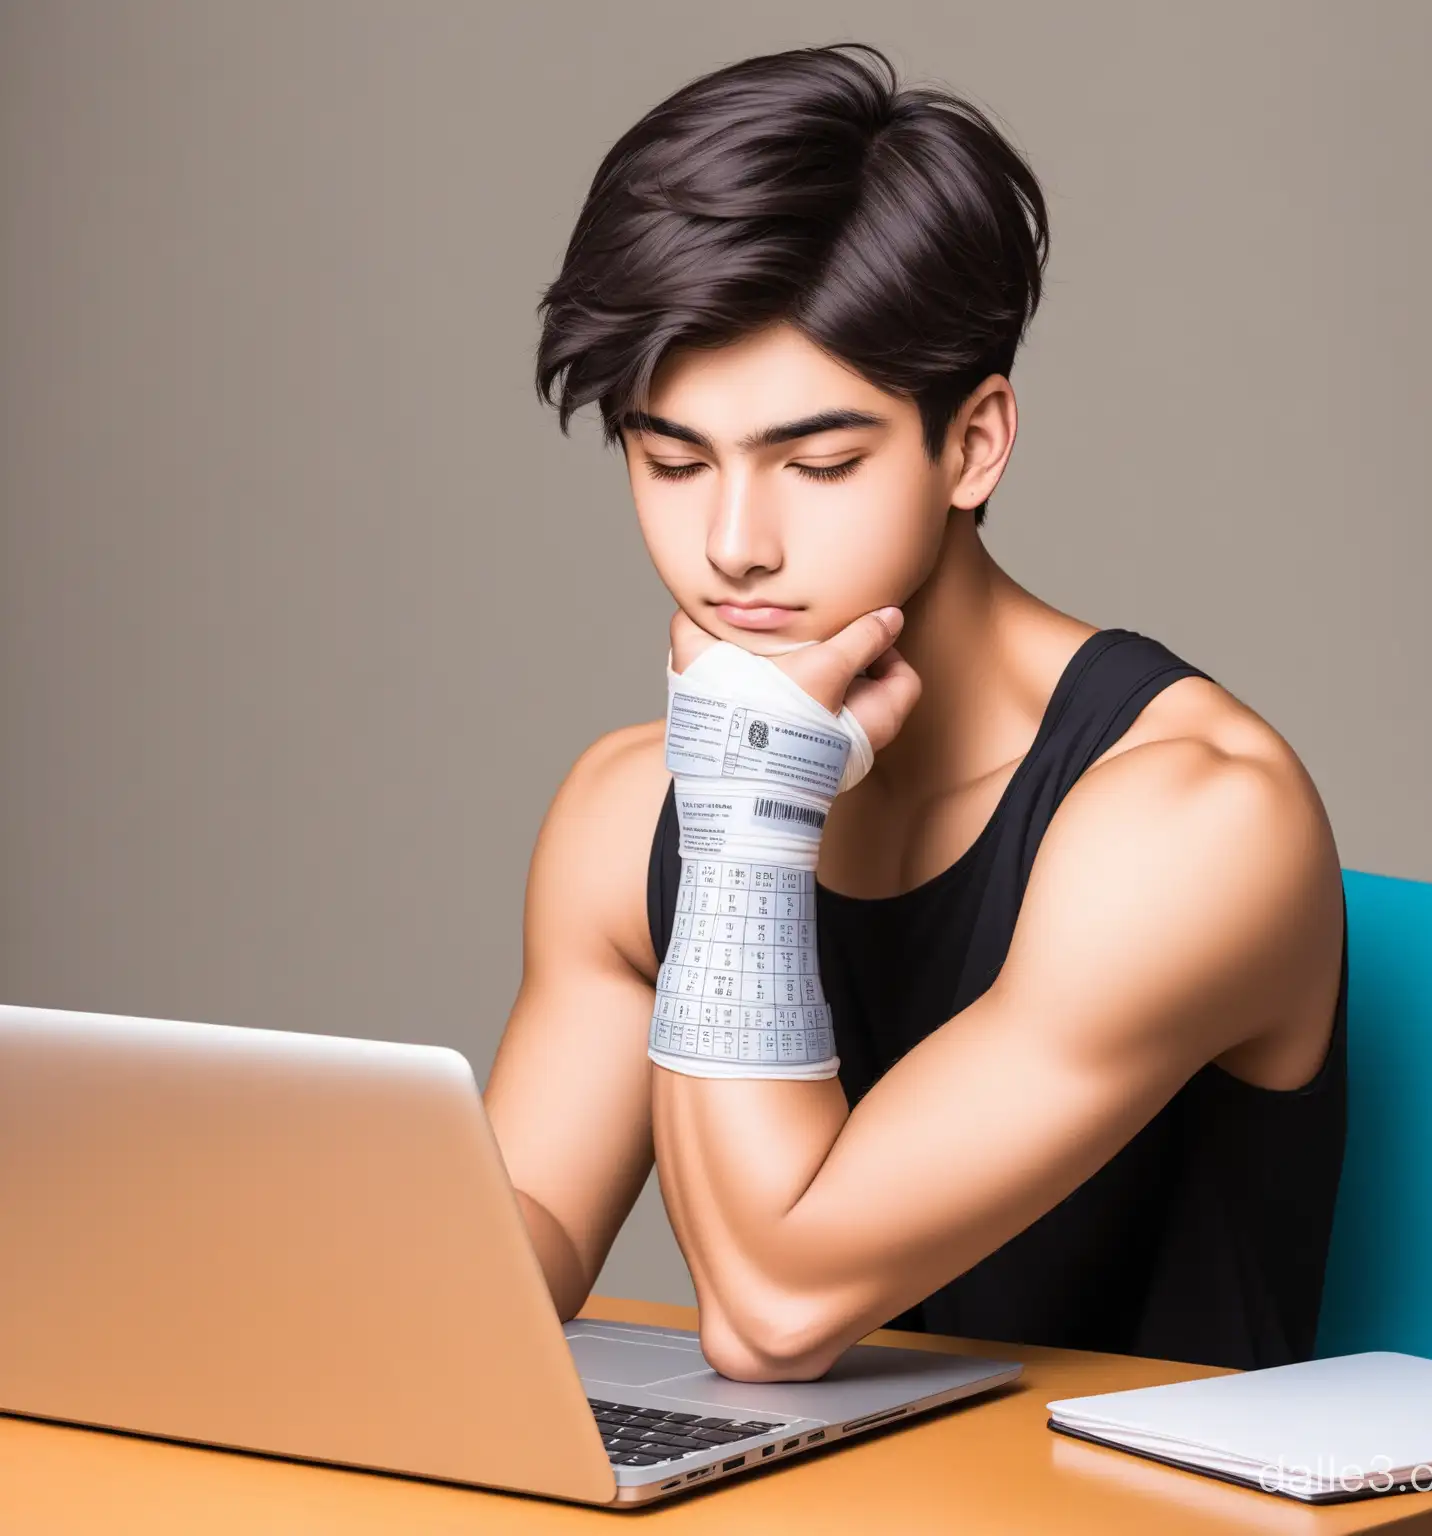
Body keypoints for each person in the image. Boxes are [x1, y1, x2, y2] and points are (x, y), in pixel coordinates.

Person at [485, 41, 1347, 1382]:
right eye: (669, 459)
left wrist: (748, 813)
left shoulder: (1196, 821)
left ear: (975, 441)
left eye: (817, 462)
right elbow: (514, 1243)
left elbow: (776, 1310)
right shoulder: (623, 812)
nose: (732, 544)